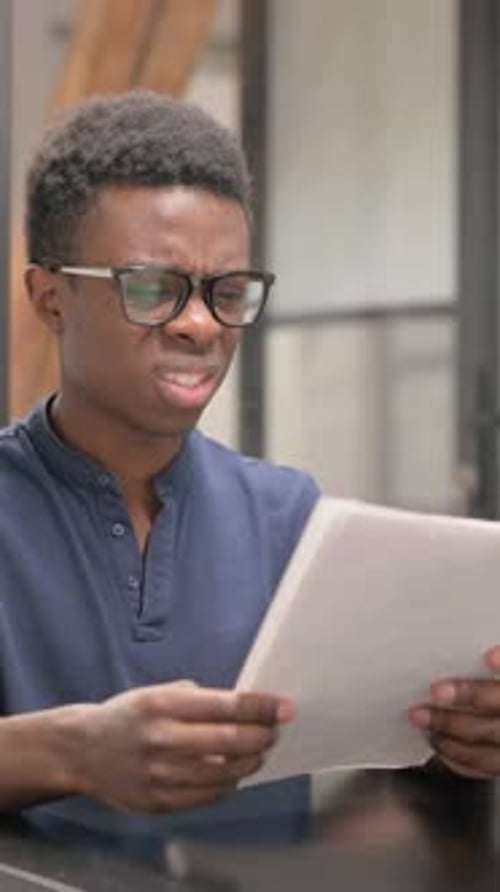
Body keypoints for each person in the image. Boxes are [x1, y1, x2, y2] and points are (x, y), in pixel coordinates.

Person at [0, 89, 498, 851]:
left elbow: (371, 772)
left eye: (228, 292)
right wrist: (71, 752)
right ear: (50, 298)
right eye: (151, 288)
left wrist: (455, 740)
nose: (201, 325)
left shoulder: (292, 520)